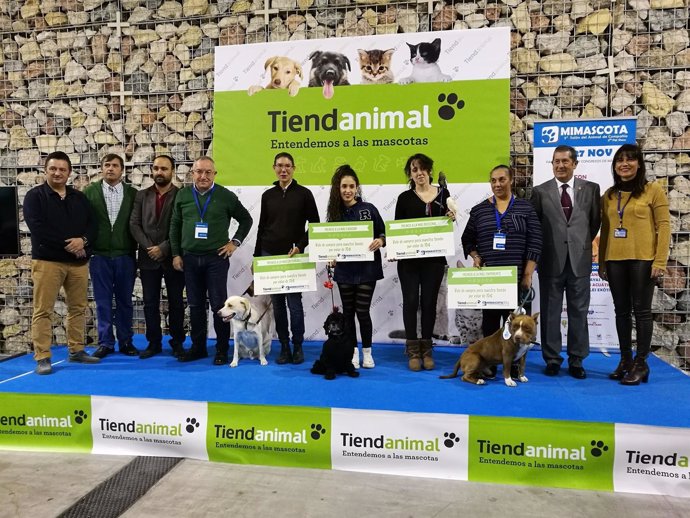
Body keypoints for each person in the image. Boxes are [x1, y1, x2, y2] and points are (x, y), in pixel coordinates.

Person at [23, 151, 101, 374]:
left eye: (62, 170)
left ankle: (76, 350)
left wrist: (83, 241)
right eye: (53, 169)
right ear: (45, 170)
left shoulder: (79, 197)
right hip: (48, 262)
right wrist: (71, 245)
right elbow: (38, 229)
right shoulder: (34, 197)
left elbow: (93, 225)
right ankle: (43, 357)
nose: (57, 173)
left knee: (78, 308)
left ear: (68, 173)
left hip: (78, 264)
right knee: (43, 310)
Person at [598, 144, 670, 385]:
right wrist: (601, 262)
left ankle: (641, 363)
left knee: (641, 311)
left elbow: (664, 226)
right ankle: (625, 360)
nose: (624, 164)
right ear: (614, 165)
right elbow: (606, 230)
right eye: (620, 160)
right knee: (621, 312)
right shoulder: (609, 195)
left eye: (630, 159)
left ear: (639, 164)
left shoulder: (653, 190)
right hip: (615, 260)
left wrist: (660, 260)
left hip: (643, 259)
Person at [170, 156, 252, 364]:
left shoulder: (225, 196)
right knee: (195, 305)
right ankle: (198, 348)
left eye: (208, 172)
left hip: (216, 259)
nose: (203, 176)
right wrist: (176, 254)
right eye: (199, 172)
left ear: (215, 174)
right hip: (189, 258)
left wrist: (235, 242)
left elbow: (246, 219)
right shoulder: (183, 195)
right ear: (192, 174)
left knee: (219, 305)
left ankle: (222, 350)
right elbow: (174, 226)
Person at [531, 145, 601, 379]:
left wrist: (579, 244)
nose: (560, 165)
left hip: (579, 261)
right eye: (556, 161)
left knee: (579, 312)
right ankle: (552, 359)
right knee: (550, 313)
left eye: (565, 161)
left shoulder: (591, 189)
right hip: (550, 262)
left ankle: (577, 360)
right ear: (551, 164)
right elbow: (536, 227)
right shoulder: (540, 192)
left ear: (575, 164)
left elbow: (594, 223)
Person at [253, 152, 320, 365]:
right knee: (278, 305)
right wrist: (256, 258)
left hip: (294, 258)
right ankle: (283, 346)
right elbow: (261, 227)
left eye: (288, 166)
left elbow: (315, 225)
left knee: (295, 304)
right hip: (269, 257)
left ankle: (298, 345)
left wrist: (300, 246)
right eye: (280, 166)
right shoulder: (267, 196)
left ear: (294, 168)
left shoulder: (304, 194)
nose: (284, 169)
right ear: (274, 168)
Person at [461, 165, 542, 337]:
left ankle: (514, 363)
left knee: (515, 326)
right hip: (490, 279)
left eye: (502, 179)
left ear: (511, 180)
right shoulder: (479, 211)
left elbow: (535, 241)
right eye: (493, 180)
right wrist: (475, 256)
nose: (497, 184)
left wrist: (528, 274)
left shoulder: (525, 208)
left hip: (517, 278)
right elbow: (467, 239)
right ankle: (490, 362)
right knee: (490, 325)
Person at [394, 153, 455, 371]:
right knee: (410, 302)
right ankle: (412, 349)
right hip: (409, 261)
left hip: (434, 261)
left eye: (422, 169)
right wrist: (394, 249)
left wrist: (451, 216)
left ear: (429, 170)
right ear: (410, 174)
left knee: (430, 303)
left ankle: (427, 348)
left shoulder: (443, 194)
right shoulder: (404, 198)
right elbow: (397, 231)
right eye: (414, 169)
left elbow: (448, 223)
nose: (419, 173)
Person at [326, 165, 385, 369]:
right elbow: (329, 243)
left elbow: (382, 233)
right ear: (338, 188)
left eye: (351, 186)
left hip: (367, 270)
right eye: (344, 186)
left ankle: (367, 353)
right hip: (345, 271)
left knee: (363, 311)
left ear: (357, 188)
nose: (347, 190)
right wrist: (330, 257)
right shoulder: (334, 213)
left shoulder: (369, 209)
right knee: (348, 313)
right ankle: (352, 352)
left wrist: (381, 241)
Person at [129, 155, 186, 359]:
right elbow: (134, 224)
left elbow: (182, 227)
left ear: (173, 171)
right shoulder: (141, 196)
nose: (159, 172)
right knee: (150, 303)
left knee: (176, 303)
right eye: (155, 168)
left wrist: (164, 248)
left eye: (164, 168)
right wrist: (149, 247)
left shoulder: (182, 195)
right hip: (148, 259)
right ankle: (153, 343)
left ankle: (177, 342)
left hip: (173, 259)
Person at [84, 154, 138, 359]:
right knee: (102, 301)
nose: (110, 169)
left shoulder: (133, 194)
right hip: (100, 256)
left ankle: (126, 341)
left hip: (125, 255)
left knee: (125, 301)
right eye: (107, 165)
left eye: (115, 165)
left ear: (122, 170)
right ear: (101, 168)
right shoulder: (90, 192)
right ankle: (106, 342)